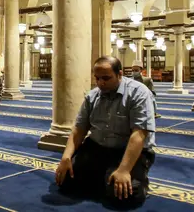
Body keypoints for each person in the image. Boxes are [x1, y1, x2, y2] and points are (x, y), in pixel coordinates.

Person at [55, 56, 156, 208]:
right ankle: (104, 175)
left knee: (125, 195)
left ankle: (136, 179)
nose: (101, 83)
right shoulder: (92, 96)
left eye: (106, 78)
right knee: (66, 182)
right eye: (97, 78)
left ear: (120, 74)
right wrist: (66, 157)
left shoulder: (139, 93)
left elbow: (139, 134)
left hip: (128, 150)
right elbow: (79, 129)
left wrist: (124, 170)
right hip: (97, 147)